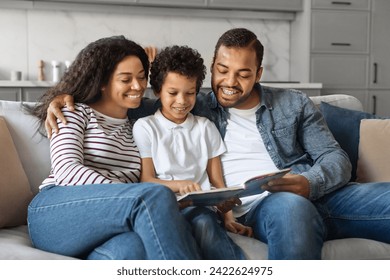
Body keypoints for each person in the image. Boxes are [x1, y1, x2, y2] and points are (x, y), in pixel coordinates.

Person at [44, 28, 390, 260]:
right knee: (290, 208)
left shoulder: (294, 103)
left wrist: (309, 182)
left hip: (322, 191)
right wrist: (66, 96)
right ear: (211, 68)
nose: (229, 81)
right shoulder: (193, 105)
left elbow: (334, 157)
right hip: (268, 202)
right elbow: (130, 99)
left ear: (259, 73)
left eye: (243, 73)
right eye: (222, 70)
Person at [27, 36, 201, 260]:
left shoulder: (141, 121)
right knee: (153, 195)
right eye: (126, 79)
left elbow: (185, 99)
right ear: (102, 82)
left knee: (133, 251)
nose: (138, 86)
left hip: (109, 221)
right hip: (55, 212)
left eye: (141, 77)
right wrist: (127, 196)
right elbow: (66, 170)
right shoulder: (73, 111)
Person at [132, 45, 249, 260]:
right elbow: (146, 179)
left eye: (190, 93)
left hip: (201, 209)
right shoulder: (145, 127)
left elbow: (217, 182)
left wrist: (229, 218)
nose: (182, 101)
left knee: (203, 223)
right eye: (173, 93)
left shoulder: (205, 127)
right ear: (157, 91)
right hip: (167, 208)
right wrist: (179, 185)